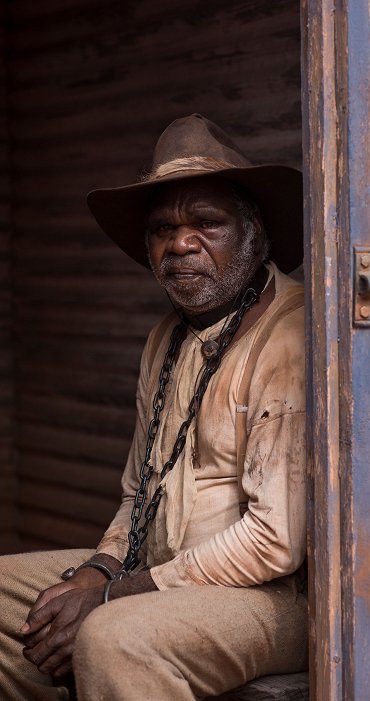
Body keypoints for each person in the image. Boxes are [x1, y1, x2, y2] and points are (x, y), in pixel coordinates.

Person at [0, 114, 308, 700]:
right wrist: (97, 571)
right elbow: (137, 496)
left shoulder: (289, 336)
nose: (181, 242)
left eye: (207, 223)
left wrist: (114, 594)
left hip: (272, 599)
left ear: (254, 233)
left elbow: (276, 540)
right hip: (155, 571)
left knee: (111, 637)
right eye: (164, 228)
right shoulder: (165, 339)